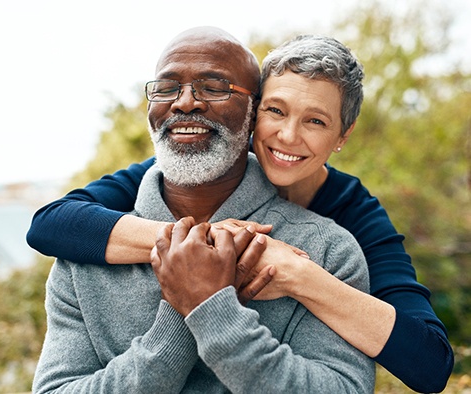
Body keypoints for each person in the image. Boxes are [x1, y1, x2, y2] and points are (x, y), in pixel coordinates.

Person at [27, 33, 453, 393]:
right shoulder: (94, 243)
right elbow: (50, 222)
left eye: (316, 122)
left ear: (343, 135)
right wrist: (195, 255)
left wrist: (299, 278)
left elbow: (427, 363)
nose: (287, 135)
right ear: (256, 117)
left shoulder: (344, 234)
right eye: (277, 111)